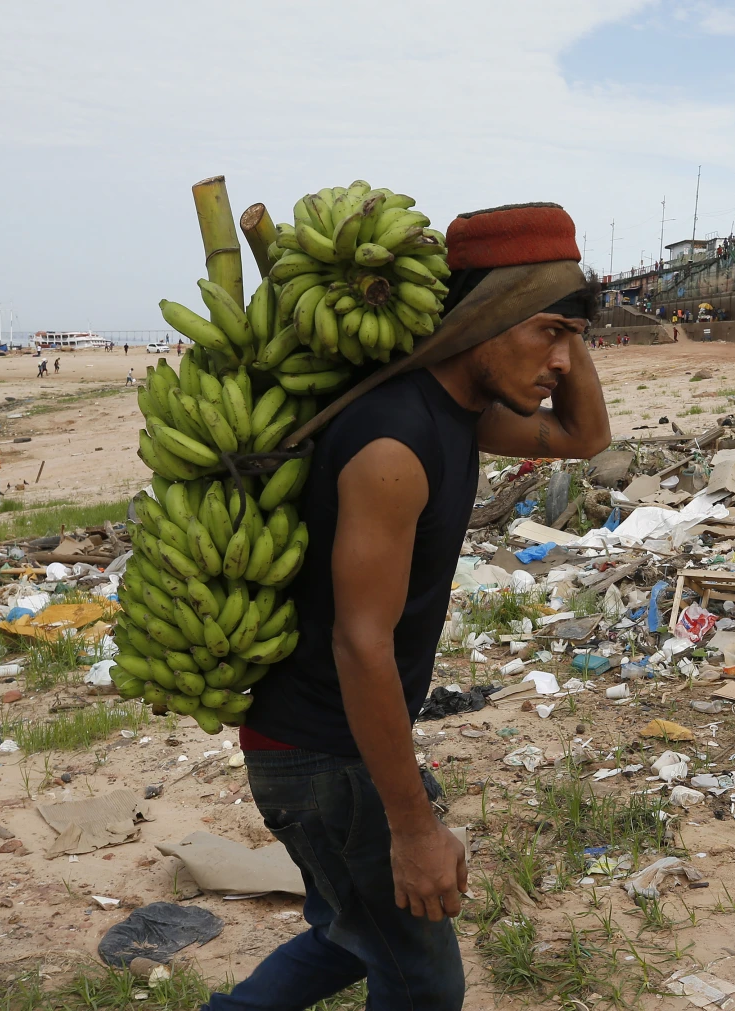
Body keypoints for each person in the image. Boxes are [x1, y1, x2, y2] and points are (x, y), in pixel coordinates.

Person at [210, 203, 610, 1011]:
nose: (563, 360)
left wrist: (568, 320)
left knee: (345, 935)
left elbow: (583, 437)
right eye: (548, 333)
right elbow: (364, 644)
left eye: (572, 336)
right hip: (322, 751)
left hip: (322, 743)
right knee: (424, 979)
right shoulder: (395, 441)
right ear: (485, 318)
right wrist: (416, 828)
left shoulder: (459, 412)